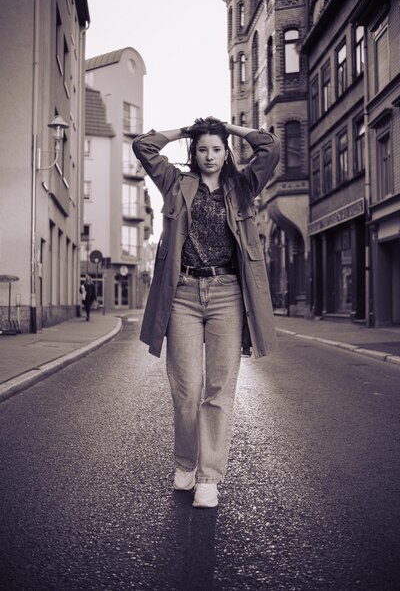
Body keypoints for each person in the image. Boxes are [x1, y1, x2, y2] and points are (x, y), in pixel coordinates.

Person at [132, 117, 280, 508]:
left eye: (216, 148)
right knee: (186, 388)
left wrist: (231, 129)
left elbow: (270, 148)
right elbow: (144, 147)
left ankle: (209, 476)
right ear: (193, 153)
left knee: (219, 388)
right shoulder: (176, 183)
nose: (210, 156)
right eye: (202, 149)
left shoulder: (242, 186)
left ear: (226, 151)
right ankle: (184, 462)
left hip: (228, 293)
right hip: (181, 293)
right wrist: (185, 131)